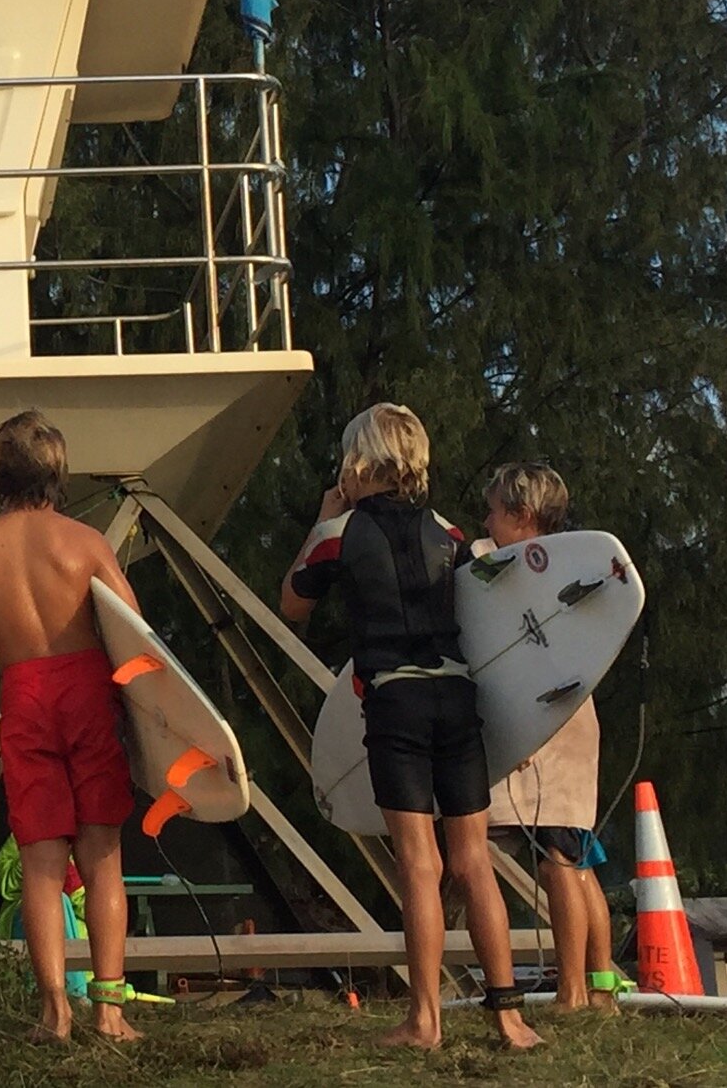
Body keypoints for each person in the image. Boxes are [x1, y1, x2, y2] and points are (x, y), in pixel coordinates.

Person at [281, 403, 543, 1051]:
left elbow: (292, 605)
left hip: (395, 700)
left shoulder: (338, 533)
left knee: (420, 865)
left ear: (357, 462)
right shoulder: (450, 533)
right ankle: (509, 1018)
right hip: (456, 694)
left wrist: (320, 518)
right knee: (473, 860)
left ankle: (425, 1020)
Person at [0, 411, 142, 1043]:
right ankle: (109, 1011)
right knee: (103, 855)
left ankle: (54, 1010)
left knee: (40, 860)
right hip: (86, 691)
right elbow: (136, 635)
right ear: (56, 470)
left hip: (23, 695)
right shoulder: (85, 543)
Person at [481, 462, 628, 1011]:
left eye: (495, 511)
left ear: (521, 517)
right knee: (574, 857)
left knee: (560, 860)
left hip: (551, 719)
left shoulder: (540, 573)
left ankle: (574, 989)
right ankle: (601, 988)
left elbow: (540, 658)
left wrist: (526, 734)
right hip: (560, 715)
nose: (487, 520)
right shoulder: (560, 567)